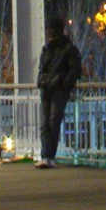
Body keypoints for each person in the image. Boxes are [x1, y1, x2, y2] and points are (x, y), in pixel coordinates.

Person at [35, 17, 84, 168]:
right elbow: (42, 69)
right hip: (47, 89)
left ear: (57, 30)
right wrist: (42, 81)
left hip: (58, 91)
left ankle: (49, 156)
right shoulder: (47, 49)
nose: (48, 32)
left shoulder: (68, 49)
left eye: (50, 29)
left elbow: (76, 70)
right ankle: (46, 155)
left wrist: (63, 83)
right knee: (45, 123)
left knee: (53, 122)